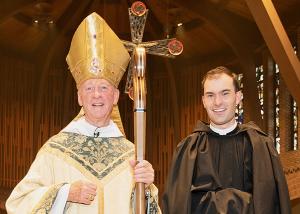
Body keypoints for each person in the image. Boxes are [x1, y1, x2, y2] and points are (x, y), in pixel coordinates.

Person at [6, 13, 160, 214]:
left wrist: (146, 190)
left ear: (115, 97)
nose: (96, 95)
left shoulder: (132, 155)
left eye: (104, 88)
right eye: (89, 88)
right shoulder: (55, 150)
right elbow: (18, 203)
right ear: (79, 97)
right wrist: (64, 193)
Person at [162, 66, 291, 214]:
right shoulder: (188, 149)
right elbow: (176, 206)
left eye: (225, 93)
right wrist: (244, 202)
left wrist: (205, 202)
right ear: (203, 101)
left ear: (238, 97)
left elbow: (270, 204)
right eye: (210, 95)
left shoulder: (260, 145)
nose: (217, 102)